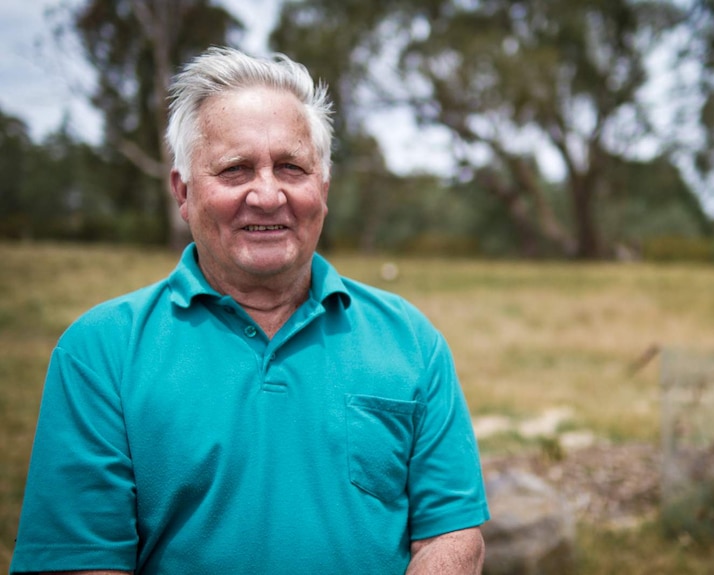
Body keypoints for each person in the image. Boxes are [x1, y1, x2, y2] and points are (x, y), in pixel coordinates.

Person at [10, 46, 489, 574]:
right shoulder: (100, 352)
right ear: (184, 192)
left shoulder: (411, 341)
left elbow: (452, 534)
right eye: (236, 169)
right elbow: (79, 561)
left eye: (291, 167)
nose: (267, 194)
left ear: (322, 188)